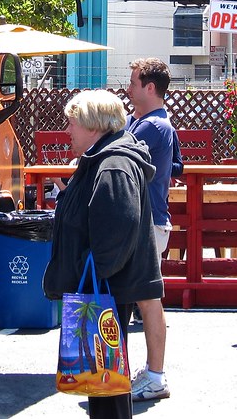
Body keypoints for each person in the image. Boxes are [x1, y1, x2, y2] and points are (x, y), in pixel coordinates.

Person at [43, 90, 163, 419]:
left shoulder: (112, 164)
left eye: (72, 123)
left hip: (104, 291)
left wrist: (90, 273)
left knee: (106, 386)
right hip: (104, 288)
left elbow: (118, 230)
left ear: (93, 125)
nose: (67, 130)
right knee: (102, 384)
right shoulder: (104, 158)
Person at [124, 57, 177, 402]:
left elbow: (114, 154)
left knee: (148, 301)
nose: (128, 89)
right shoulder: (141, 121)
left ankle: (156, 376)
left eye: (133, 83)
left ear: (150, 87)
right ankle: (149, 374)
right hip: (143, 221)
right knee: (143, 300)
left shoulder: (153, 126)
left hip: (149, 222)